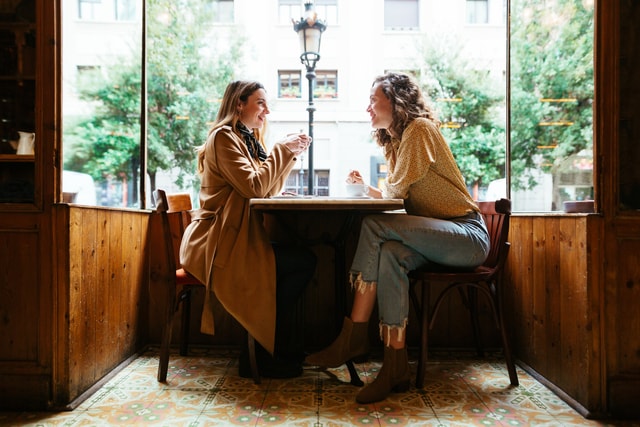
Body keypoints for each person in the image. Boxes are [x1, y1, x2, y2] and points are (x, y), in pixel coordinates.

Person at [305, 72, 491, 403]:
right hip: (441, 235)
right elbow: (398, 196)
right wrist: (367, 188)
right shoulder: (397, 140)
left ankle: (352, 338)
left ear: (395, 101)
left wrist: (371, 190)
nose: (368, 108)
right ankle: (395, 367)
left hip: (466, 235)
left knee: (374, 226)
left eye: (374, 100)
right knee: (390, 251)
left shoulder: (419, 129)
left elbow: (396, 191)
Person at [179, 80, 317, 378]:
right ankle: (261, 352)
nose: (266, 111)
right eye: (261, 103)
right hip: (215, 242)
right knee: (301, 262)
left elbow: (265, 189)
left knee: (300, 260)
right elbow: (254, 186)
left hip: (234, 236)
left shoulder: (247, 140)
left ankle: (271, 348)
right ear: (239, 104)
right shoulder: (224, 138)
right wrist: (283, 148)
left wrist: (289, 156)